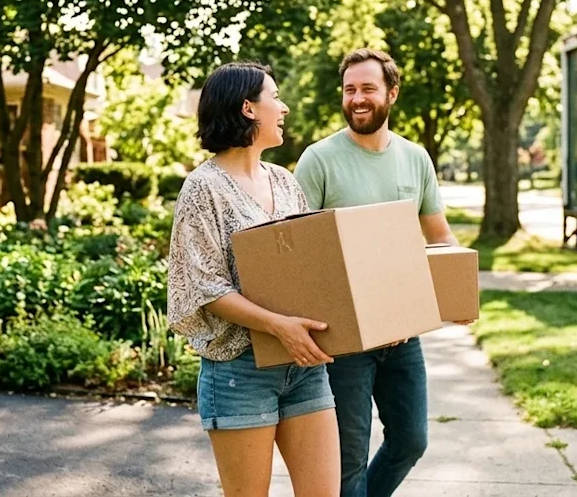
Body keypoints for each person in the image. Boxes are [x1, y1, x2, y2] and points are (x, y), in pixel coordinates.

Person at [294, 48, 469, 497]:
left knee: (411, 440)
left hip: (402, 336)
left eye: (368, 89)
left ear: (391, 93)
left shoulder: (415, 159)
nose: (357, 99)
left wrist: (458, 293)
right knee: (348, 459)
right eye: (350, 90)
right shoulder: (319, 159)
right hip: (345, 341)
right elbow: (297, 250)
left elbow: (440, 238)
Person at [168, 61, 341, 497]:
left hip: (302, 366)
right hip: (239, 372)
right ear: (248, 108)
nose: (283, 108)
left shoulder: (284, 181)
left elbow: (308, 268)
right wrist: (278, 325)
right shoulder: (202, 188)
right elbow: (206, 288)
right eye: (275, 98)